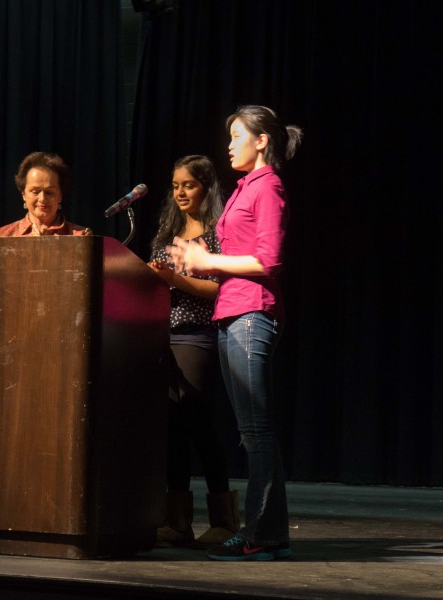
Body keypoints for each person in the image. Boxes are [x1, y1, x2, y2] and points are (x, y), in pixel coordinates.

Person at [167, 105, 303, 561]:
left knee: (256, 431)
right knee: (251, 432)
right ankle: (267, 532)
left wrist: (206, 262)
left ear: (261, 141)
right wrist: (193, 258)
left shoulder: (269, 187)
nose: (229, 143)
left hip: (252, 315)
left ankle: (263, 534)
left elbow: (269, 261)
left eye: (237, 135)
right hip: (230, 315)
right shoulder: (247, 188)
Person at [147, 155, 241, 548]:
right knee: (173, 424)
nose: (180, 192)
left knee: (197, 419)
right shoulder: (168, 232)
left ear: (205, 186)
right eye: (175, 185)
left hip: (198, 334)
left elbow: (221, 289)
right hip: (162, 336)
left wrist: (175, 280)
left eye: (188, 184)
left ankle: (224, 519)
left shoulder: (218, 234)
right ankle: (178, 522)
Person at [0, 151, 92, 237]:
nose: (42, 198)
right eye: (35, 192)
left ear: (60, 195)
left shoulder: (80, 236)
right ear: (23, 194)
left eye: (49, 192)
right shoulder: (3, 236)